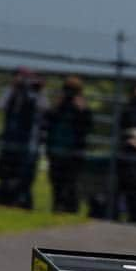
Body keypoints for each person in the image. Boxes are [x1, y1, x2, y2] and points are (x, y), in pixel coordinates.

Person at [0, 67, 48, 209]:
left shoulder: (36, 93)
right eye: (21, 76)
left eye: (28, 77)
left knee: (25, 173)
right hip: (10, 139)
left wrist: (38, 91)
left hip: (28, 141)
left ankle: (22, 200)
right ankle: (5, 198)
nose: (25, 81)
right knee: (7, 171)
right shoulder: (11, 91)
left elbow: (45, 108)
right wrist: (13, 89)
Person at [43, 76, 92, 213]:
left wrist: (82, 110)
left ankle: (71, 209)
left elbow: (86, 128)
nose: (70, 94)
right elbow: (47, 122)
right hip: (56, 151)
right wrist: (56, 106)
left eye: (73, 91)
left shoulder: (82, 108)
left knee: (71, 184)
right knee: (56, 184)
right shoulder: (58, 107)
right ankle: (57, 207)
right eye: (68, 90)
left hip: (73, 153)